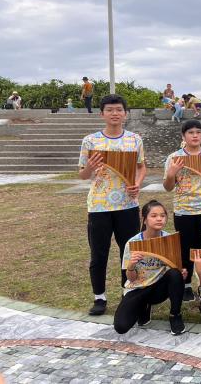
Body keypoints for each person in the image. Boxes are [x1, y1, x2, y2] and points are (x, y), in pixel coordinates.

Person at [78, 95, 146, 316]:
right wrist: (90, 168)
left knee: (129, 252)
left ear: (125, 113)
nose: (114, 113)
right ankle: (99, 297)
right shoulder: (90, 141)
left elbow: (141, 167)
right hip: (99, 206)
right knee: (99, 254)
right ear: (102, 114)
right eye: (109, 110)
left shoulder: (134, 139)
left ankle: (128, 292)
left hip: (128, 205)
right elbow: (82, 175)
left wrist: (137, 183)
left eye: (118, 109)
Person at [163, 119, 201, 301]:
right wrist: (171, 173)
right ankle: (187, 284)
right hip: (184, 210)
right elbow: (168, 187)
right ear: (183, 136)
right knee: (185, 248)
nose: (195, 135)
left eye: (198, 132)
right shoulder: (174, 158)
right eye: (190, 132)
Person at [114, 200, 187, 335]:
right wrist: (131, 266)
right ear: (144, 220)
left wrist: (181, 273)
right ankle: (144, 307)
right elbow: (131, 278)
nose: (159, 219)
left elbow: (176, 268)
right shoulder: (133, 243)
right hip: (138, 288)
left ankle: (175, 315)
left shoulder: (170, 240)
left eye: (162, 215)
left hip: (158, 288)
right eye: (154, 216)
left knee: (175, 274)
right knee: (121, 326)